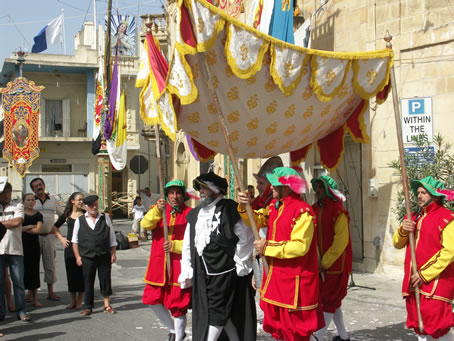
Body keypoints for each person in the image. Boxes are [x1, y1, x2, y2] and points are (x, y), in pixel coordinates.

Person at [238, 167, 324, 341]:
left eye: (275, 185)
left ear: (286, 188)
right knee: (280, 330)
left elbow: (300, 246)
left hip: (296, 283)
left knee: (296, 332)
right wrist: (243, 204)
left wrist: (267, 247)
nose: (271, 188)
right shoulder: (274, 207)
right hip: (277, 279)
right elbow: (253, 220)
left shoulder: (303, 211)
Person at [179, 172, 256, 341]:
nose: (201, 191)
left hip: (224, 271)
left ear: (217, 190)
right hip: (202, 274)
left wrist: (240, 263)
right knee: (220, 313)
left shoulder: (230, 209)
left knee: (217, 311)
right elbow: (187, 243)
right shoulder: (196, 213)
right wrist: (187, 268)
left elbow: (246, 238)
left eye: (205, 188)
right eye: (200, 188)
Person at [393, 176, 454, 341]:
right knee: (420, 326)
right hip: (415, 282)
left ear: (434, 195)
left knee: (437, 328)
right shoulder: (414, 217)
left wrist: (424, 274)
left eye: (424, 193)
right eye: (418, 192)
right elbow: (397, 244)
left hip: (436, 283)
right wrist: (403, 230)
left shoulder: (447, 217)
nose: (419, 196)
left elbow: (450, 251)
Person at [141, 180, 192, 341]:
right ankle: (174, 331)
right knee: (152, 299)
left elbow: (197, 241)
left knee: (178, 305)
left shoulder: (191, 213)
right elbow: (146, 225)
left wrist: (176, 246)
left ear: (183, 194)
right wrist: (157, 210)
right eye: (171, 193)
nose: (174, 196)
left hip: (179, 264)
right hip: (158, 264)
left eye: (177, 192)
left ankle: (177, 338)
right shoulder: (158, 210)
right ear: (166, 195)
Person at [311, 175, 352, 341]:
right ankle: (343, 336)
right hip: (319, 264)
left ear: (328, 190)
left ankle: (317, 337)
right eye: (317, 187)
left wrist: (324, 262)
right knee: (332, 301)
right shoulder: (314, 208)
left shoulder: (338, 211)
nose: (318, 190)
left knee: (329, 302)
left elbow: (340, 242)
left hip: (336, 265)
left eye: (321, 187)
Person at [72, 195, 117, 316]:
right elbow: (75, 241)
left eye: (96, 204)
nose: (94, 207)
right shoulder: (79, 220)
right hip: (87, 256)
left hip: (104, 254)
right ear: (86, 207)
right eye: (91, 205)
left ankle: (106, 304)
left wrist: (113, 253)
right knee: (88, 281)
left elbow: (112, 237)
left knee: (105, 279)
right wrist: (77, 257)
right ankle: (88, 306)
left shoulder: (105, 218)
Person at [30, 177, 64, 301]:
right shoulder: (31, 200)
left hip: (49, 237)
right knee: (33, 265)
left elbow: (63, 215)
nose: (39, 187)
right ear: (33, 189)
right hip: (34, 237)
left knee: (50, 264)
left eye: (40, 184)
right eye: (36, 186)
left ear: (44, 185)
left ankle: (51, 291)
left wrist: (55, 227)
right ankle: (31, 292)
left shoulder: (53, 200)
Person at [0, 180, 29, 323]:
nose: (6, 194)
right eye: (3, 192)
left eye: (8, 191)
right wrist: (7, 224)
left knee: (18, 282)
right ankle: (1, 311)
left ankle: (21, 310)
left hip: (15, 249)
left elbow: (17, 222)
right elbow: (11, 223)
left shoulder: (18, 205)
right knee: (0, 283)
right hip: (0, 250)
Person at [53, 192, 85, 309]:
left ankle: (80, 300)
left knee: (82, 274)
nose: (81, 202)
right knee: (71, 273)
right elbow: (55, 227)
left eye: (82, 200)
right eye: (79, 200)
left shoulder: (85, 214)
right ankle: (73, 300)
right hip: (70, 247)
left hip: (82, 247)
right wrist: (61, 238)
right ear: (72, 201)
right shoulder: (67, 214)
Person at [21, 193, 43, 308]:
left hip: (34, 246)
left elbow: (38, 230)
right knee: (21, 271)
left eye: (32, 200)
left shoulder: (38, 215)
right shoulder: (20, 214)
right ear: (23, 201)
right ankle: (21, 298)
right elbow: (18, 228)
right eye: (28, 200)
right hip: (21, 246)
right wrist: (31, 226)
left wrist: (25, 229)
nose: (30, 202)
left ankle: (35, 298)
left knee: (34, 271)